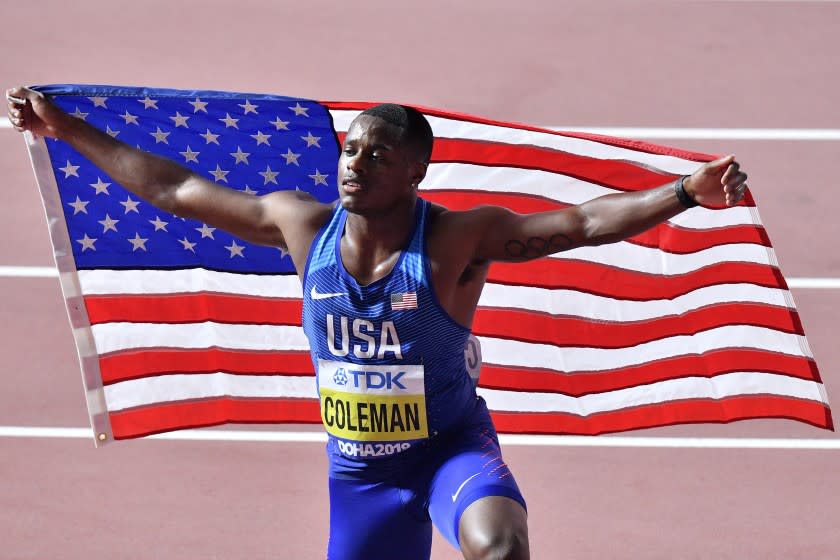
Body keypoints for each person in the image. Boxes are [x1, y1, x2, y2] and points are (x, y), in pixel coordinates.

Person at [6, 86, 748, 560]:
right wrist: (65, 126)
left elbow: (582, 222)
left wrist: (683, 192)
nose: (353, 163)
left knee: (501, 549)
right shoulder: (299, 226)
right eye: (351, 149)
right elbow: (174, 187)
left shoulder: (457, 240)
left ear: (414, 175)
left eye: (377, 154)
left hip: (449, 450)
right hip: (360, 473)